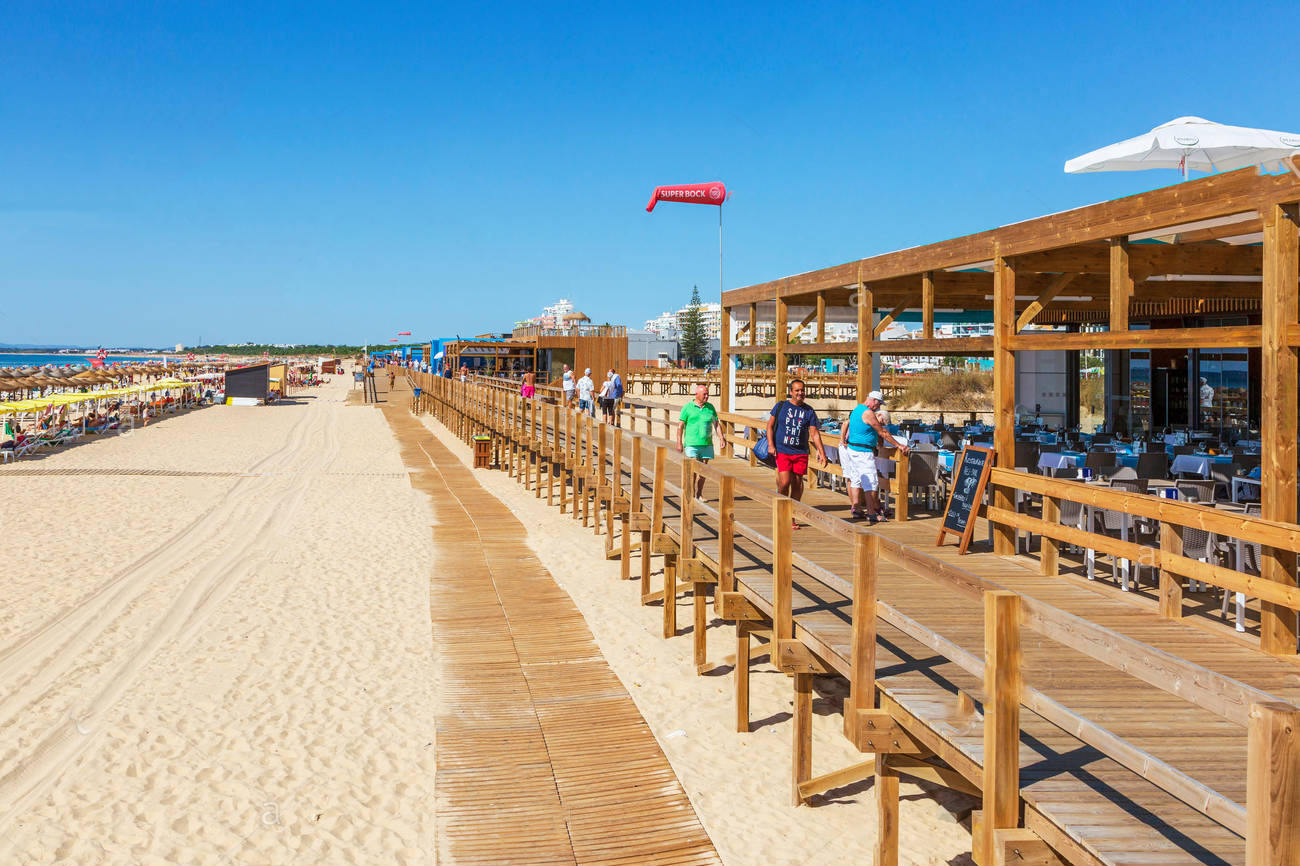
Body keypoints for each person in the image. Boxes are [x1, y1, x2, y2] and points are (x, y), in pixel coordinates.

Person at [840, 390, 909, 523]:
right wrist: (899, 445)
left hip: (853, 449)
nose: (878, 407)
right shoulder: (868, 413)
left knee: (855, 479)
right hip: (863, 451)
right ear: (874, 401)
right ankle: (871, 513)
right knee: (871, 482)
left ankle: (856, 508)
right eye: (878, 404)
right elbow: (882, 431)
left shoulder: (857, 409)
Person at [766, 379, 827, 526]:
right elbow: (769, 426)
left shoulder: (809, 411)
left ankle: (791, 516)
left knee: (797, 484)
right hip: (782, 450)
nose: (800, 393)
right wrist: (770, 445)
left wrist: (822, 452)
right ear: (791, 392)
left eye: (802, 390)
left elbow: (815, 433)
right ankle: (780, 508)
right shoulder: (781, 406)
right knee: (784, 482)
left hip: (800, 452)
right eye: (797, 390)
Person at [677, 383, 721, 498]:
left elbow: (716, 423)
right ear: (697, 395)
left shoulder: (710, 407)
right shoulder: (687, 407)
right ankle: (690, 493)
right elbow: (680, 425)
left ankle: (699, 494)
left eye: (708, 394)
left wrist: (721, 437)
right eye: (704, 394)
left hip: (707, 444)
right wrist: (679, 442)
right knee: (693, 470)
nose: (707, 397)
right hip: (692, 444)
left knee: (703, 471)